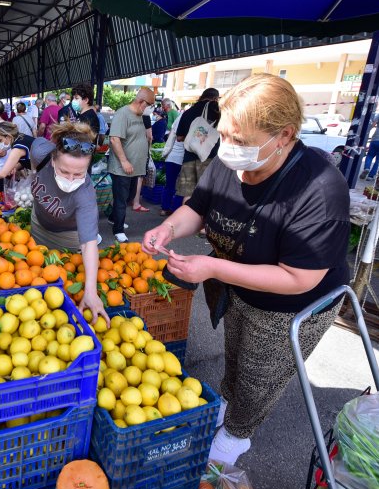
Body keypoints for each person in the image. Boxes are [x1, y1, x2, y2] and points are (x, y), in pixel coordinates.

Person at [142, 73, 349, 465]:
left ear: (284, 136)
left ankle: (238, 435)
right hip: (238, 283)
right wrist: (168, 227)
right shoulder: (225, 162)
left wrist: (213, 267)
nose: (229, 148)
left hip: (293, 304)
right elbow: (197, 209)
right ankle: (229, 409)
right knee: (235, 355)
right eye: (225, 135)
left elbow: (298, 278)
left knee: (261, 374)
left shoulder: (318, 189)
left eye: (241, 141)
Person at [26, 121, 109, 323]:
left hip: (66, 240)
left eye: (79, 174)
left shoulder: (85, 194)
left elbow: (89, 243)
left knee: (57, 288)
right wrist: (31, 172)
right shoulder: (41, 152)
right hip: (37, 225)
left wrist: (90, 290)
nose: (71, 180)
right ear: (53, 160)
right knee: (32, 274)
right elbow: (30, 148)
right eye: (64, 172)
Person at [108, 87, 156, 242]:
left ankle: (113, 217)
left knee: (128, 196)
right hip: (123, 167)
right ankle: (118, 229)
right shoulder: (123, 114)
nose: (149, 109)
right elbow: (114, 139)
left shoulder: (140, 116)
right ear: (141, 102)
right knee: (121, 198)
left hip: (135, 167)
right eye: (148, 105)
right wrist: (124, 161)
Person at [175, 88, 220, 203]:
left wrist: (193, 138)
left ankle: (186, 219)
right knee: (204, 193)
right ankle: (201, 220)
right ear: (215, 98)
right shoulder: (218, 113)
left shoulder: (188, 112)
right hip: (208, 158)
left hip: (188, 158)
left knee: (187, 193)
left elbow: (179, 137)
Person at [160, 109, 185, 216]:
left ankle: (164, 209)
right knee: (180, 187)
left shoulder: (179, 118)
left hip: (171, 156)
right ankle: (176, 211)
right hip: (181, 158)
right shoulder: (190, 120)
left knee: (169, 184)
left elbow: (171, 133)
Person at [360, 112, 379, 180]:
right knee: (378, 160)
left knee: (370, 155)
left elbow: (373, 123)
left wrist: (367, 132)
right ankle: (370, 176)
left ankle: (367, 168)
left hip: (375, 139)